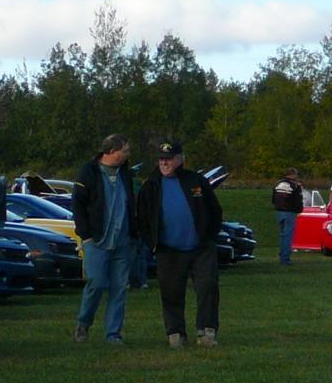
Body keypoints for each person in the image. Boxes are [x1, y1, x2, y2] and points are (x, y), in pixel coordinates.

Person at [137, 140, 223, 348]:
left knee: (207, 287)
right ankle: (175, 332)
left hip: (200, 248)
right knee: (171, 291)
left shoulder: (196, 181)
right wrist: (153, 244)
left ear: (180, 159)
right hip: (168, 250)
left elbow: (215, 210)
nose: (164, 163)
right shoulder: (151, 185)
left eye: (169, 159)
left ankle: (206, 331)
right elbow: (142, 219)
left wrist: (208, 236)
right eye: (161, 160)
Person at [70, 134, 137, 345]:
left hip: (123, 240)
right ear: (111, 151)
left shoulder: (126, 173)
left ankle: (113, 333)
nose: (127, 154)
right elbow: (78, 205)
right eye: (124, 151)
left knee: (119, 288)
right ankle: (84, 323)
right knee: (96, 283)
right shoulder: (88, 172)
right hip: (97, 240)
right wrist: (86, 236)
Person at [271, 168, 304, 266]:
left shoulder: (277, 184)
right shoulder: (294, 185)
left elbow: (273, 199)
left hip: (279, 212)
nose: (297, 176)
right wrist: (299, 210)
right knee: (288, 236)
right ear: (292, 175)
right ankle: (285, 259)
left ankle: (282, 255)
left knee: (282, 236)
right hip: (290, 212)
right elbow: (298, 199)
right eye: (296, 174)